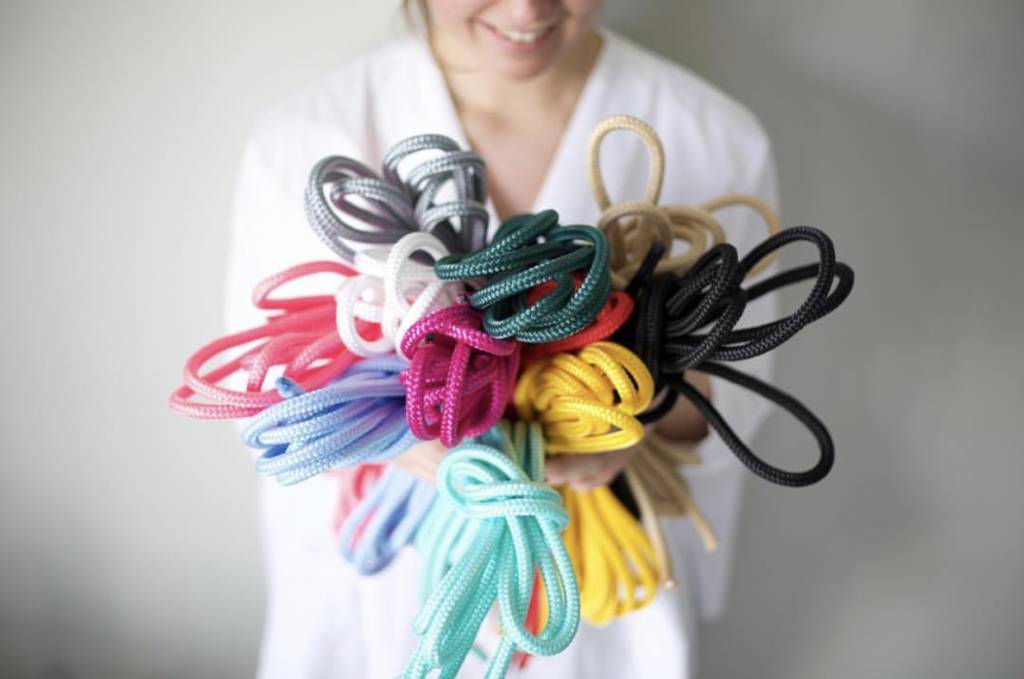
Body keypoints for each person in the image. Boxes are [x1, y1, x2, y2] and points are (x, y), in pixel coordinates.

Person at [225, 1, 778, 676]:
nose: (526, 10)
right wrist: (391, 427)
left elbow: (740, 394)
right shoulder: (305, 138)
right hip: (371, 620)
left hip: (602, 625)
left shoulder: (715, 139)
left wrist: (632, 414)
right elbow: (262, 396)